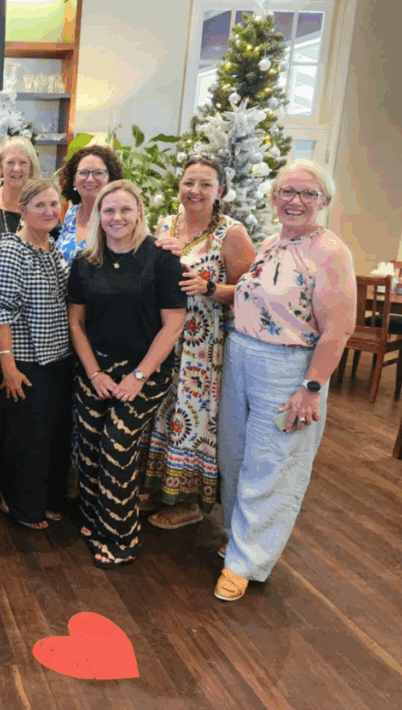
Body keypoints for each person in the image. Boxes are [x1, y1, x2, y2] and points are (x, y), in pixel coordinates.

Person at [215, 159, 355, 602]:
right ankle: (239, 537)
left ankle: (245, 561)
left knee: (272, 463)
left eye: (307, 194)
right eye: (287, 192)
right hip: (243, 356)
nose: (295, 201)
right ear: (274, 197)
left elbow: (338, 329)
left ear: (324, 201)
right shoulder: (273, 242)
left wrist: (311, 387)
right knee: (235, 455)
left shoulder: (330, 251)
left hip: (289, 367)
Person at [68, 180, 186, 568]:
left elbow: (173, 325)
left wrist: (137, 377)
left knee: (117, 446)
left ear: (139, 213)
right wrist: (95, 373)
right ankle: (93, 517)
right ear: (98, 216)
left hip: (145, 369)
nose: (116, 218)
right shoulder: (85, 262)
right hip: (96, 366)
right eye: (108, 210)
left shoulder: (162, 260)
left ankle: (121, 536)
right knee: (87, 444)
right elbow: (77, 324)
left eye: (125, 210)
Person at [141, 156, 256, 528]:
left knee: (192, 419)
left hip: (203, 347)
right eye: (189, 182)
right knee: (163, 412)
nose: (195, 191)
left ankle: (190, 502)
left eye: (205, 184)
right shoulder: (165, 224)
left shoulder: (231, 233)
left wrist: (210, 288)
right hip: (164, 336)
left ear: (220, 190)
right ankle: (159, 487)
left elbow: (250, 293)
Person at [0, 178, 72, 530]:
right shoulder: (9, 250)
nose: (49, 211)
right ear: (23, 209)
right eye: (40, 205)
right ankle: (17, 503)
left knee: (50, 437)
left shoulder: (53, 248)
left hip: (56, 361)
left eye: (54, 204)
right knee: (24, 439)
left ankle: (46, 500)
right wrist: (8, 367)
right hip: (22, 362)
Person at [56, 144, 123, 263]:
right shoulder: (71, 214)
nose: (90, 179)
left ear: (111, 178)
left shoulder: (118, 218)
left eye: (98, 173)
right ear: (74, 180)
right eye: (83, 172)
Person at [0, 136, 40, 236]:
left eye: (23, 162)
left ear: (31, 167)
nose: (16, 168)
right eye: (10, 162)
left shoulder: (43, 206)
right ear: (0, 166)